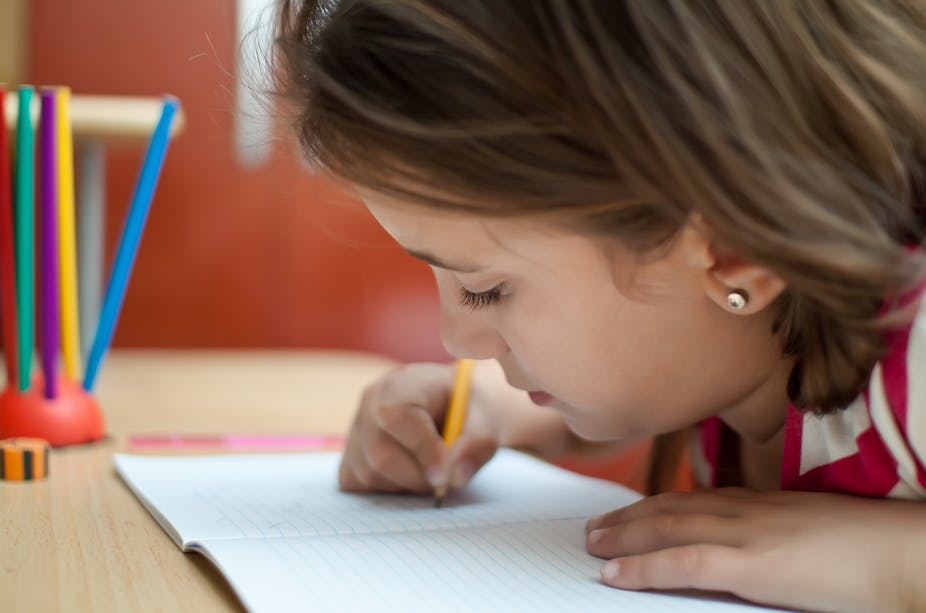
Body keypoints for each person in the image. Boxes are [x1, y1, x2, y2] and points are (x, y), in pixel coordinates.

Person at [274, 1, 926, 610]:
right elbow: (639, 365)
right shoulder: (715, 340)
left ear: (734, 249)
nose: (457, 340)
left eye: (487, 287)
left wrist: (900, 566)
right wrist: (495, 411)